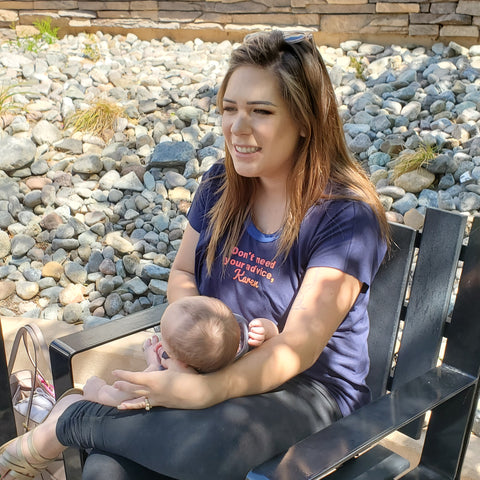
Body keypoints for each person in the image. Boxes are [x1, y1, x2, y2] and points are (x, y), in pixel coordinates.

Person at [0, 30, 389, 480]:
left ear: (305, 120)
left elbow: (296, 349)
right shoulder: (223, 183)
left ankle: (69, 419)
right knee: (108, 470)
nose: (237, 129)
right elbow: (183, 272)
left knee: (197, 454)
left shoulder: (345, 217)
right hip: (215, 363)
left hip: (307, 391)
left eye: (261, 112)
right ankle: (80, 420)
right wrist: (192, 348)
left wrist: (205, 391)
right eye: (229, 109)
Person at [83, 295, 279, 407]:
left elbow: (116, 397)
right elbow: (275, 338)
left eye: (164, 342)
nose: (159, 344)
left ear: (182, 362)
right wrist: (266, 328)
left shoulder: (165, 376)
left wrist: (97, 389)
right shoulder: (234, 355)